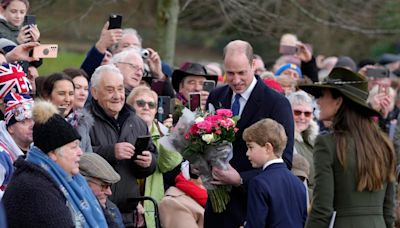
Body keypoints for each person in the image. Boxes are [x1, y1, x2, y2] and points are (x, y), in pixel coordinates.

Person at [205, 40, 294, 227]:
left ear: (253, 64)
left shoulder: (276, 103)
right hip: (216, 207)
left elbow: (284, 162)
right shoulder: (216, 97)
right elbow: (207, 142)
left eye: (241, 73)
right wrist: (201, 165)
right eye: (230, 73)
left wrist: (240, 179)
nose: (236, 80)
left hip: (253, 207)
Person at [299, 67, 396, 228]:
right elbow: (388, 210)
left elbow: (322, 208)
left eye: (322, 95)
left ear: (338, 101)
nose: (318, 102)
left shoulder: (327, 144)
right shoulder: (384, 144)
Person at [2, 100, 107, 227]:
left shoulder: (75, 180)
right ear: (53, 153)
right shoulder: (33, 187)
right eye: (74, 147)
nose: (80, 152)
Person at [88, 64, 157, 226]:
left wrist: (148, 162)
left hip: (129, 212)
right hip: (96, 210)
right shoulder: (84, 120)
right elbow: (78, 158)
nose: (117, 96)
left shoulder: (137, 121)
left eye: (120, 89)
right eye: (110, 90)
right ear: (95, 93)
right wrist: (111, 152)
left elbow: (153, 157)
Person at [126, 85, 182, 228]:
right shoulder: (123, 130)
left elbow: (169, 163)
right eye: (140, 103)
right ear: (130, 106)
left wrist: (166, 134)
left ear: (156, 110)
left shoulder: (160, 132)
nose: (146, 107)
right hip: (127, 200)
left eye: (151, 105)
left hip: (151, 202)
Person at [243, 118, 307, 228]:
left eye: (250, 147)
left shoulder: (259, 183)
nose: (247, 153)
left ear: (268, 147)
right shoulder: (298, 183)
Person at [41, 72, 93, 153]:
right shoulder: (39, 124)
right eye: (62, 94)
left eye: (71, 94)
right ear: (47, 96)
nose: (67, 99)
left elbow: (89, 157)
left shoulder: (80, 122)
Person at [79, 152, 124, 228]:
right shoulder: (69, 211)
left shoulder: (112, 209)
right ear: (84, 183)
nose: (109, 192)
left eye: (110, 186)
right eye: (104, 186)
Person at [287, 90, 318, 196]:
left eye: (307, 113)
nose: (302, 117)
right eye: (297, 112)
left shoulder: (314, 141)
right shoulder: (285, 141)